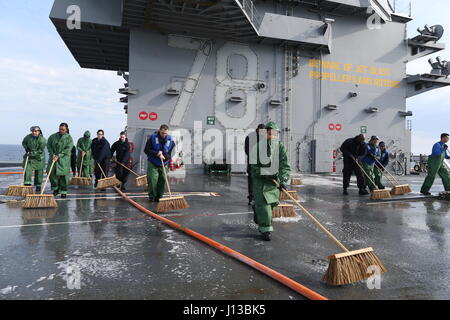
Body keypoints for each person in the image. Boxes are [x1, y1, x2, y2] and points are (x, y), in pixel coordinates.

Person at [249, 121, 291, 242]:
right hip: (260, 182)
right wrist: (265, 173)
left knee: (272, 204)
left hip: (274, 182)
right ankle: (265, 230)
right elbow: (254, 166)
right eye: (269, 134)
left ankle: (258, 211)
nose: (272, 137)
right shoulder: (257, 147)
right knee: (265, 206)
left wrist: (283, 180)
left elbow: (285, 165)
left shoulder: (281, 147)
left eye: (275, 134)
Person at [144, 124, 175, 202]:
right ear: (159, 131)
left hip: (164, 163)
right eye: (162, 133)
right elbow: (146, 150)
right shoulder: (152, 138)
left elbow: (170, 153)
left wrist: (165, 157)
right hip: (153, 162)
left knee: (162, 179)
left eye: (165, 133)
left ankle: (159, 196)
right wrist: (157, 153)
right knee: (152, 179)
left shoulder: (171, 141)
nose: (163, 135)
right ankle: (152, 196)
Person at [47, 123, 74, 198]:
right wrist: (52, 154)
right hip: (53, 157)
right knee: (51, 173)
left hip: (64, 159)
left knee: (64, 176)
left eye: (63, 129)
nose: (61, 131)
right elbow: (48, 145)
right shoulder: (52, 136)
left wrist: (59, 155)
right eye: (60, 129)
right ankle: (55, 188)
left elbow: (68, 149)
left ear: (66, 129)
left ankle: (63, 191)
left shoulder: (69, 138)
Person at [244, 124, 266, 205]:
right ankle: (251, 198)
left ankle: (259, 198)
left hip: (261, 163)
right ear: (258, 129)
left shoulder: (264, 137)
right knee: (252, 180)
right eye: (261, 131)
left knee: (261, 180)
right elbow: (246, 149)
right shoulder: (250, 137)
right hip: (252, 163)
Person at [21, 126, 47, 193]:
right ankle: (27, 183)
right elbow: (24, 143)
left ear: (39, 131)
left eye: (35, 131)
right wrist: (26, 148)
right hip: (29, 156)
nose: (34, 132)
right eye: (32, 131)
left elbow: (40, 150)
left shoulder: (42, 140)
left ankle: (38, 185)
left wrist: (32, 153)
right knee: (27, 169)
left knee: (39, 172)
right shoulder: (28, 137)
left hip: (39, 157)